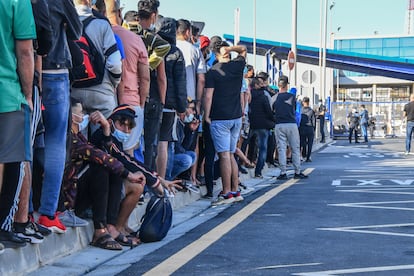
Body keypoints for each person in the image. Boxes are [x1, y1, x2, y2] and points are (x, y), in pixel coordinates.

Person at [65, 99, 146, 250]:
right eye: (81, 113)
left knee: (111, 167)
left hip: (83, 195)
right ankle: (100, 231)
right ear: (72, 117)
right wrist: (128, 174)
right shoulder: (70, 138)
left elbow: (113, 158)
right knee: (102, 166)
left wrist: (107, 131)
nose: (85, 116)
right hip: (70, 200)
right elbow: (101, 156)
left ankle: (111, 226)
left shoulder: (81, 137)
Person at [37, 0, 82, 234]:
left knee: (25, 145)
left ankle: (18, 212)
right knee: (55, 144)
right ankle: (47, 212)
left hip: (25, 72)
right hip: (55, 73)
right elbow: (76, 31)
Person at [0, 0, 36, 249]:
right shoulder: (17, 1)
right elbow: (25, 52)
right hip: (7, 94)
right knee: (12, 162)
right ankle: (3, 227)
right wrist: (28, 94)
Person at [204, 41, 247, 205]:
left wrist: (206, 115)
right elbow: (243, 49)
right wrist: (230, 49)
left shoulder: (213, 72)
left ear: (215, 55)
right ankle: (236, 190)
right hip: (236, 117)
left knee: (223, 155)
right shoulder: (237, 67)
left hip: (220, 118)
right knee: (231, 154)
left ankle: (226, 192)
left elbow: (208, 96)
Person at [106, 0, 149, 157]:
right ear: (119, 13)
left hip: (104, 99)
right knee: (128, 155)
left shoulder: (97, 31)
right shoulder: (135, 39)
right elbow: (145, 78)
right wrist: (141, 104)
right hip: (131, 101)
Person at [71, 0, 122, 127]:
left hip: (74, 91)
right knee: (103, 137)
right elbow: (115, 63)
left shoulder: (66, 22)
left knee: (78, 141)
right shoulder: (102, 24)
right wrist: (113, 83)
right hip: (101, 92)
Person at [155, 17, 187, 178]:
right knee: (164, 143)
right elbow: (181, 83)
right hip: (168, 105)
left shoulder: (152, 46)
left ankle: (149, 181)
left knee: (148, 142)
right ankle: (161, 181)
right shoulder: (175, 52)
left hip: (149, 101)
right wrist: (182, 107)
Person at [273, 75, 308, 180]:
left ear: (278, 85)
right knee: (295, 148)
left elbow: (271, 111)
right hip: (291, 124)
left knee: (281, 149)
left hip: (279, 124)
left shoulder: (274, 98)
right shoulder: (292, 97)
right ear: (286, 85)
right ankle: (297, 171)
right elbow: (296, 110)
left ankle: (283, 172)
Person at [248, 77, 275, 178]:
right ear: (256, 85)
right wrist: (273, 120)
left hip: (251, 124)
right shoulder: (263, 96)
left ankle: (247, 161)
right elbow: (268, 111)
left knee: (246, 146)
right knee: (263, 148)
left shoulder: (249, 96)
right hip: (263, 125)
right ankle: (258, 171)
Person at [299, 97, 316, 162]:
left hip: (302, 127)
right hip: (310, 128)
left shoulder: (301, 110)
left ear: (303, 102)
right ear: (308, 102)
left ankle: (303, 155)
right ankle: (308, 157)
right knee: (310, 143)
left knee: (302, 142)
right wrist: (313, 130)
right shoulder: (311, 111)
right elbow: (313, 121)